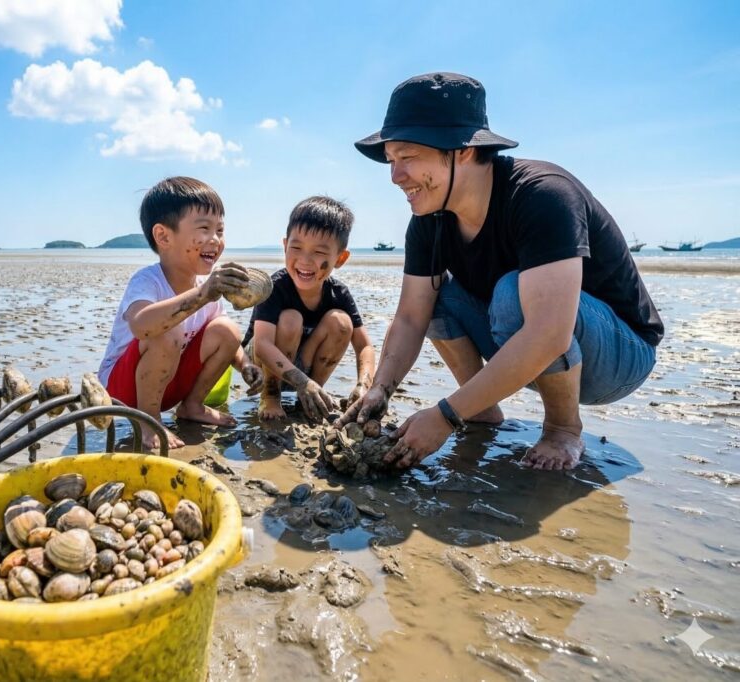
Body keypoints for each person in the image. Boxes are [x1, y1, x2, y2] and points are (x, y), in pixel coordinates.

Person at [337, 72, 662, 470]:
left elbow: (548, 333)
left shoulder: (543, 195)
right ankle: (482, 409)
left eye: (408, 157)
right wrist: (380, 391)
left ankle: (563, 427)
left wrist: (444, 416)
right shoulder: (429, 220)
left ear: (463, 151)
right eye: (391, 160)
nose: (395, 176)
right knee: (438, 296)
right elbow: (410, 317)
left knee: (512, 292)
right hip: (520, 341)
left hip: (617, 358)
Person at [98, 176, 263, 450]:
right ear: (163, 236)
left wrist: (245, 365)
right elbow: (142, 327)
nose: (216, 240)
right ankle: (148, 421)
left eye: (220, 230)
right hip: (123, 391)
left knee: (227, 328)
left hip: (169, 386)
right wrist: (201, 295)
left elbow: (227, 341)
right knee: (167, 328)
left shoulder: (205, 288)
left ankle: (192, 406)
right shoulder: (148, 280)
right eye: (204, 229)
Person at [242, 196, 376, 421]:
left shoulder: (338, 293)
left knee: (342, 322)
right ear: (285, 246)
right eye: (296, 247)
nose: (305, 260)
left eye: (319, 252)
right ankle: (271, 395)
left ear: (340, 258)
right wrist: (300, 381)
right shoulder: (275, 287)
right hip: (260, 362)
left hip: (303, 364)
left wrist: (364, 386)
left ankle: (313, 395)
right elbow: (262, 344)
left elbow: (365, 346)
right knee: (290, 319)